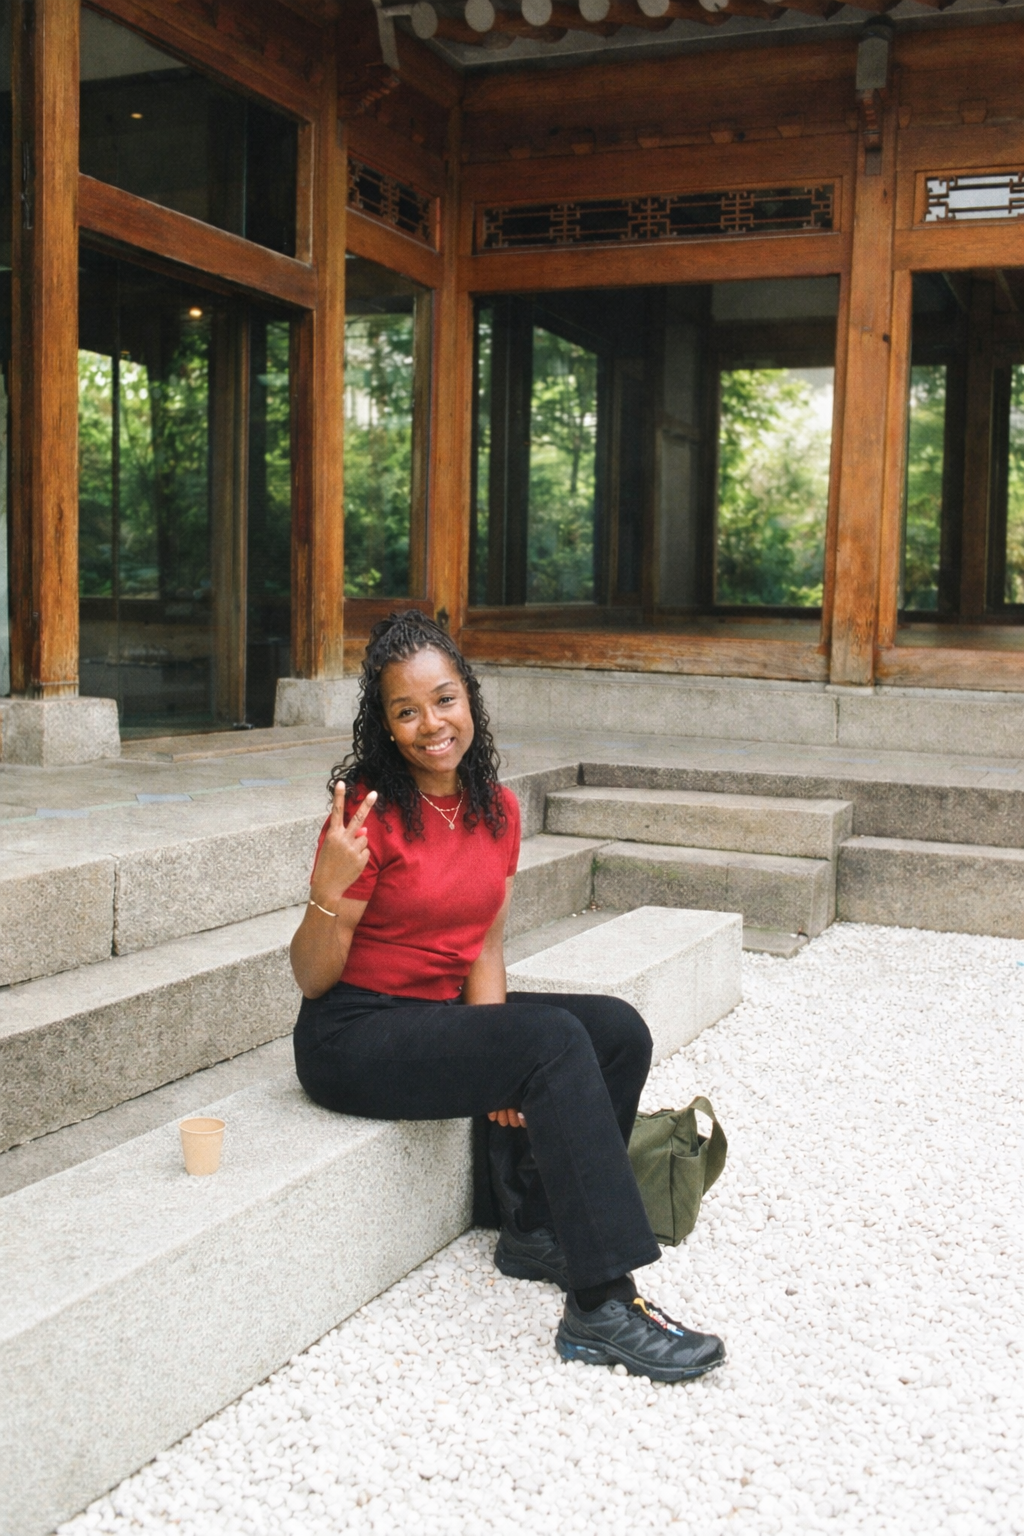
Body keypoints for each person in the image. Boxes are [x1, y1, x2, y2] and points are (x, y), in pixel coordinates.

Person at [290, 610, 725, 1383]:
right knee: (550, 1039)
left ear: (470, 699)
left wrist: (495, 1061)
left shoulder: (497, 809)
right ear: (385, 726)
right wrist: (326, 890)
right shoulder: (367, 816)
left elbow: (484, 945)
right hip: (353, 1035)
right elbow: (312, 979)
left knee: (616, 1031)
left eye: (444, 700)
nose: (431, 724)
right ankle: (601, 1305)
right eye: (406, 711)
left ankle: (533, 1226)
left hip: (435, 1018)